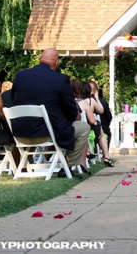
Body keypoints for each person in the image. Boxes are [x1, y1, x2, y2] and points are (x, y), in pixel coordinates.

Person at [8, 49, 90, 179]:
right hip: (48, 133)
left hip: (20, 131)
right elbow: (71, 111)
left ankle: (26, 166)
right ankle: (67, 167)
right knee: (84, 128)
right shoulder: (60, 79)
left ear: (40, 58)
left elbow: (14, 101)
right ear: (56, 62)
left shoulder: (20, 76)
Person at [78, 82, 115, 167]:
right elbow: (101, 111)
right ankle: (106, 157)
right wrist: (97, 98)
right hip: (89, 128)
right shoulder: (90, 101)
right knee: (101, 133)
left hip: (78, 128)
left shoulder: (76, 101)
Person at [88, 79, 113, 148]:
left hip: (88, 129)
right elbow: (109, 117)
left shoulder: (83, 102)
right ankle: (106, 154)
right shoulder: (103, 103)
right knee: (107, 132)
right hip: (101, 128)